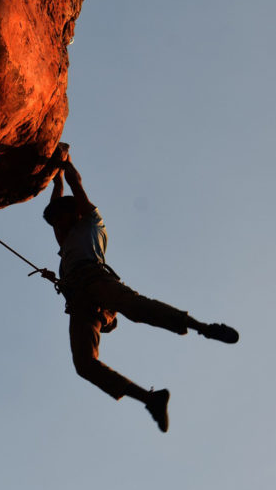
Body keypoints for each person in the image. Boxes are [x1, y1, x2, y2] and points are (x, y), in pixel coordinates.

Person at [41, 149, 238, 432]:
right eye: (55, 220)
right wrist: (55, 176)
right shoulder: (66, 238)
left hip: (96, 280)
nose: (57, 224)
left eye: (61, 217)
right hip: (80, 301)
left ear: (74, 213)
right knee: (84, 364)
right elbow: (59, 194)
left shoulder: (91, 222)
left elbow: (75, 185)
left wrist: (65, 161)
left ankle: (203, 327)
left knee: (135, 308)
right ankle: (150, 398)